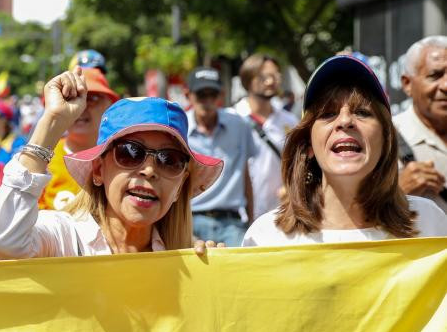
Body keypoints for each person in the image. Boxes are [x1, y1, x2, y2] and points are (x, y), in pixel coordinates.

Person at [0, 69, 222, 258]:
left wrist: (213, 270)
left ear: (180, 186)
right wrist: (52, 122)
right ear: (98, 170)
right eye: (130, 152)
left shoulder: (185, 258)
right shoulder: (65, 237)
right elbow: (1, 238)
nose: (149, 170)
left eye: (169, 160)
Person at [244, 54, 447, 245]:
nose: (345, 121)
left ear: (386, 140)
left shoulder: (429, 223)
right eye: (328, 113)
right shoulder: (266, 237)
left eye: (362, 112)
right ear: (308, 145)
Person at [185, 67, 255, 246]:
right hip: (190, 220)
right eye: (201, 95)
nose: (207, 101)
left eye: (212, 95)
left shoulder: (240, 125)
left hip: (232, 221)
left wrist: (251, 221)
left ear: (220, 96)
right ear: (189, 95)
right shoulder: (180, 129)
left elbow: (245, 175)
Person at [38, 67, 119, 212]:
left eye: (93, 98)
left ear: (110, 105)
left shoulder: (126, 157)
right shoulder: (41, 158)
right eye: (70, 97)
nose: (81, 106)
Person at [235, 54, 297, 220]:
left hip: (279, 215)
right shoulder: (233, 118)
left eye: (275, 76)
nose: (271, 82)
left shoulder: (289, 121)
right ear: (248, 79)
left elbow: (298, 163)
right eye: (264, 77)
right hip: (239, 217)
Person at [395, 36, 447, 214]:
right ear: (407, 84)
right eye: (435, 75)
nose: (446, 85)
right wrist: (396, 192)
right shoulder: (383, 137)